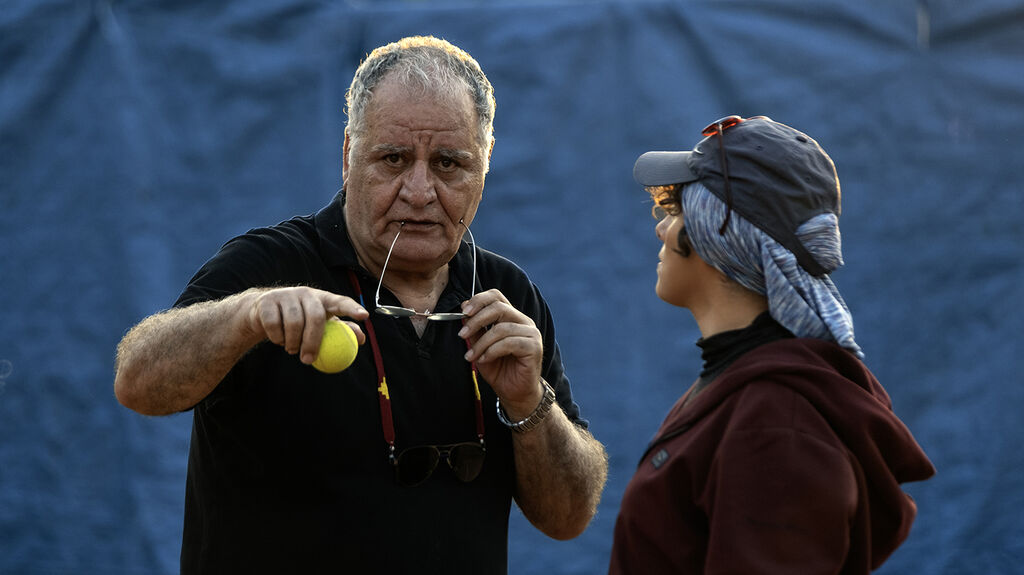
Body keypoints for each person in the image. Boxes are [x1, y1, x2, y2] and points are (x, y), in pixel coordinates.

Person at [114, 36, 608, 574]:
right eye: (393, 159)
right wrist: (245, 316)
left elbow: (569, 518)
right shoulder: (270, 265)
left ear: (485, 167)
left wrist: (528, 402)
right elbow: (137, 382)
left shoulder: (506, 293)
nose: (419, 191)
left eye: (448, 164)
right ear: (349, 156)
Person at [608, 115, 935, 574]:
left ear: (718, 233)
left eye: (678, 211)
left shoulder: (778, 423)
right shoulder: (742, 388)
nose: (662, 230)